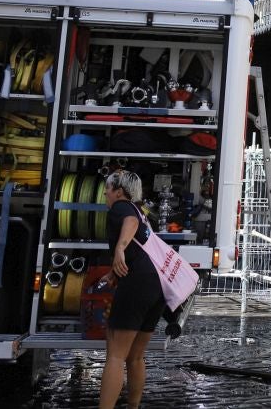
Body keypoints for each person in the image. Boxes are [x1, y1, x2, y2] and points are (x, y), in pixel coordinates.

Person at [98, 169, 166, 409]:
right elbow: (141, 248)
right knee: (135, 356)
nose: (105, 193)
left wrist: (119, 249)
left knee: (116, 356)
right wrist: (114, 272)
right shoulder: (142, 210)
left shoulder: (122, 208)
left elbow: (130, 223)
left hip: (137, 284)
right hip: (157, 285)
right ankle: (133, 406)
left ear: (119, 192)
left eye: (107, 188)